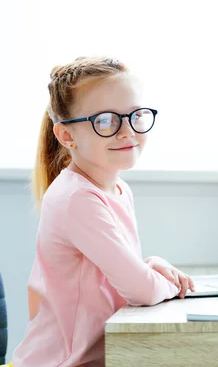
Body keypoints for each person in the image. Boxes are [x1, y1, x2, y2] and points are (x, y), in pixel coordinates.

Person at [12, 56, 195, 367]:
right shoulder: (77, 199)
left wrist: (151, 263)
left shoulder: (117, 189)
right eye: (106, 120)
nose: (127, 132)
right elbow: (141, 290)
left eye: (135, 116)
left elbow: (109, 275)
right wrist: (167, 284)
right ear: (67, 136)